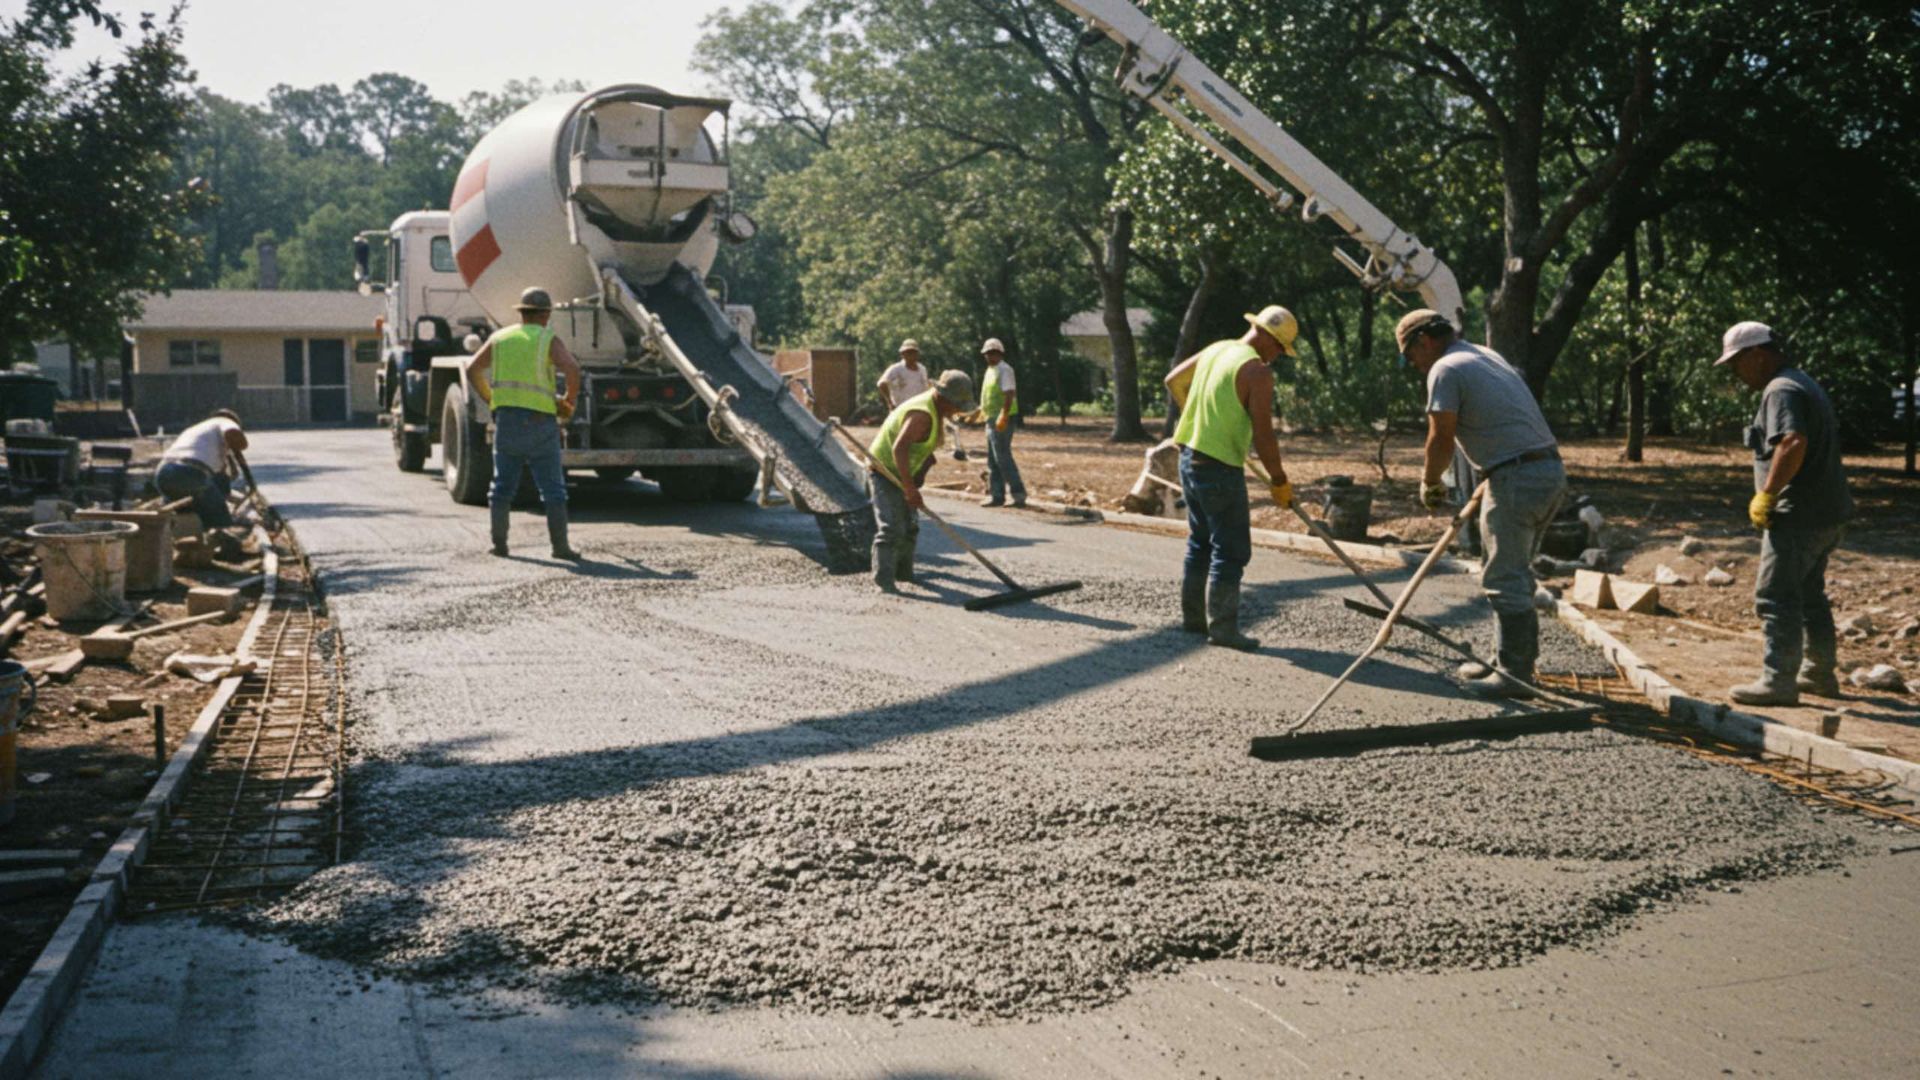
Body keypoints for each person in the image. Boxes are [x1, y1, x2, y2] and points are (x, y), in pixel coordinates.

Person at [1397, 308, 1565, 697]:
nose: (1414, 366)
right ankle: (1504, 661)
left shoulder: (1446, 369)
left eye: (1410, 357)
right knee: (1511, 569)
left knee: (1504, 577)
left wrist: (1430, 482)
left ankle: (1515, 676)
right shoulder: (1484, 355)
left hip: (1517, 478)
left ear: (1424, 341)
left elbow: (1440, 436)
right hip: (1545, 471)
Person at [1715, 321, 1854, 705]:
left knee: (1776, 596)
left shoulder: (1781, 390)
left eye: (1736, 364)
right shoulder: (1801, 381)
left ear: (1757, 354)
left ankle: (1779, 680)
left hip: (1799, 515)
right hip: (1828, 512)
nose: (1736, 373)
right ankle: (1819, 673)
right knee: (1810, 594)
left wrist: (1768, 494)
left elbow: (1792, 443)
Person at [1164, 305, 1298, 651]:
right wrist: (1279, 479)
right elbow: (1264, 435)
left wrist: (1196, 419)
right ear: (1270, 338)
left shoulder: (1218, 349)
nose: (1278, 357)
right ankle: (1223, 629)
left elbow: (1174, 380)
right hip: (1219, 467)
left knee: (1201, 542)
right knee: (1231, 549)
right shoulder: (1257, 372)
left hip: (1189, 456)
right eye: (1281, 349)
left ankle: (1193, 620)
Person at [468, 286, 583, 560]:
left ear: (522, 313)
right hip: (541, 423)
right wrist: (569, 400)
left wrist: (491, 398)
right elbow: (572, 368)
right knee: (553, 489)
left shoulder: (500, 338)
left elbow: (473, 369)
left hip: (507, 421)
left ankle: (499, 545)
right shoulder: (547, 339)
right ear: (545, 315)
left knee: (502, 488)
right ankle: (561, 548)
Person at [866, 370, 976, 592]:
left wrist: (919, 475)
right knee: (891, 528)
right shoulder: (922, 414)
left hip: (903, 470)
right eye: (955, 405)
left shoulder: (935, 411)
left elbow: (924, 450)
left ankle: (904, 574)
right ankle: (884, 580)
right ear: (943, 398)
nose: (956, 411)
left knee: (910, 526)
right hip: (883, 470)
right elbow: (900, 447)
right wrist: (909, 488)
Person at [156, 408, 248, 532]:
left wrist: (229, 457)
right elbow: (234, 434)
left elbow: (225, 478)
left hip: (164, 475)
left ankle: (189, 544)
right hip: (188, 472)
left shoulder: (199, 433)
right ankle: (222, 538)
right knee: (220, 518)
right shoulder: (224, 421)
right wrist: (237, 448)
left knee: (191, 516)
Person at [977, 337, 1027, 508]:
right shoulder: (990, 370)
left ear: (1000, 354)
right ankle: (997, 495)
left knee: (1003, 457)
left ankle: (1018, 494)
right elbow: (989, 394)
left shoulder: (1005, 370)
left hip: (1003, 418)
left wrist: (1003, 415)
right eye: (987, 354)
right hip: (990, 418)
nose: (989, 357)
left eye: (993, 353)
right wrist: (980, 411)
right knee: (993, 459)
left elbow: (1009, 393)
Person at [876, 339, 931, 410]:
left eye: (913, 352)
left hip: (920, 407)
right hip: (901, 408)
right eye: (908, 352)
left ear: (917, 354)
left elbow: (926, 386)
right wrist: (890, 402)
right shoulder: (896, 369)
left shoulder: (922, 369)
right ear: (903, 354)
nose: (911, 355)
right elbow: (881, 384)